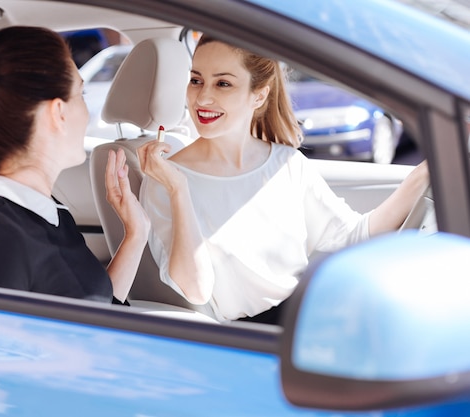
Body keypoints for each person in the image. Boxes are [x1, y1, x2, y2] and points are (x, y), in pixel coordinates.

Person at [137, 34, 429, 323]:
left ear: (259, 95)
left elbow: (353, 236)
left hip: (309, 314)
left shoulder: (286, 164)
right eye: (196, 80)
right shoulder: (166, 179)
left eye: (222, 83)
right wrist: (178, 190)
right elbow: (195, 290)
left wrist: (425, 174)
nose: (202, 97)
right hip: (255, 338)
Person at [0, 26, 149, 305]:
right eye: (81, 95)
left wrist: (136, 234)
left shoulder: (47, 210)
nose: (87, 112)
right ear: (57, 112)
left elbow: (94, 307)